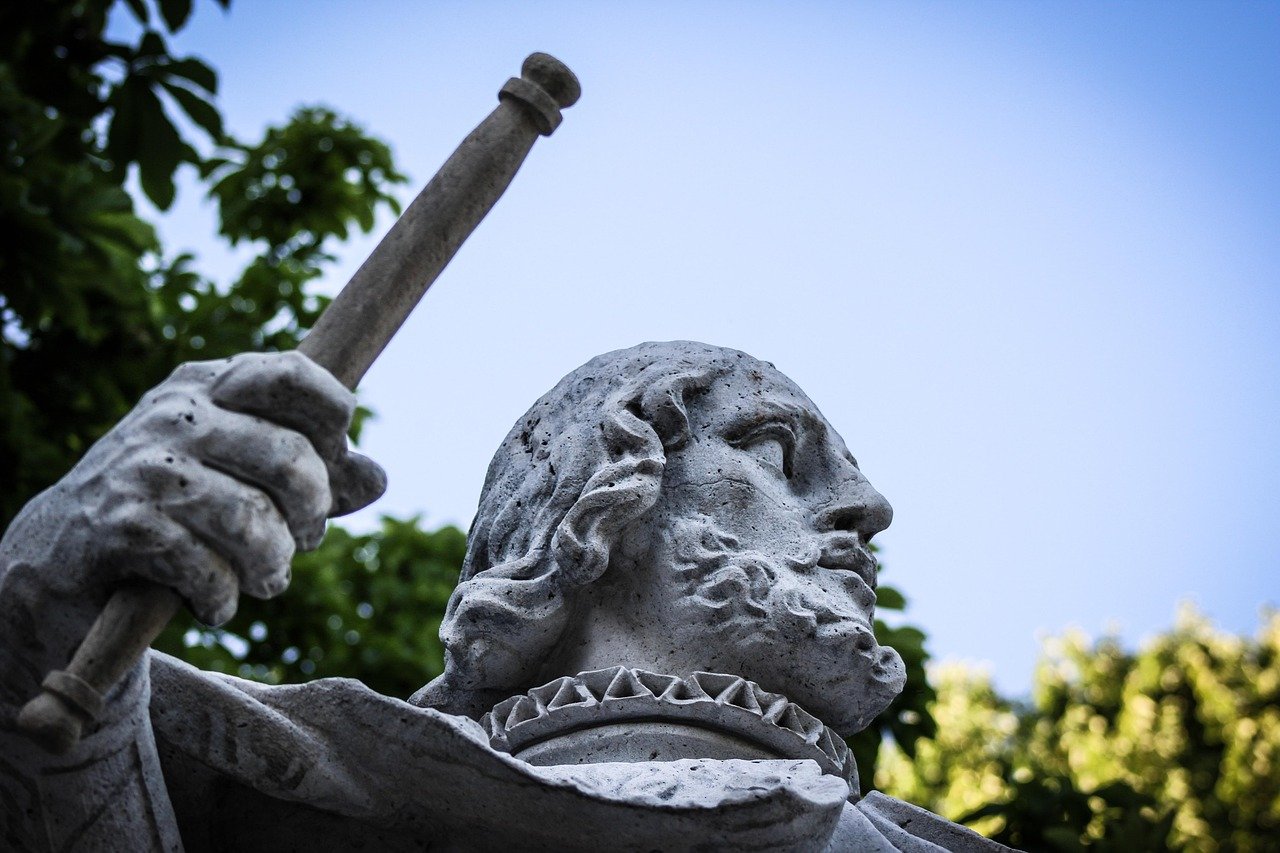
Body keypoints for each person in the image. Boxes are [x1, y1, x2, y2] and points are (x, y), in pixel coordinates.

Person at [0, 341, 1007, 851]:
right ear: (595, 503)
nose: (864, 508)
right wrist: (35, 614)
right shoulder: (287, 802)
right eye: (774, 450)